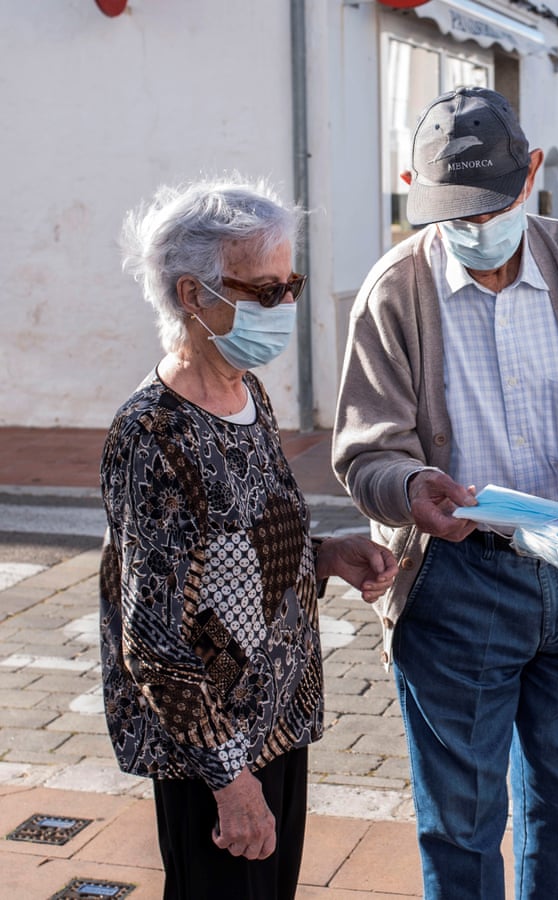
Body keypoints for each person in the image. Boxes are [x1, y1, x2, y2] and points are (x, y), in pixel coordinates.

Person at [332, 86, 558, 899]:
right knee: (461, 820)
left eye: (494, 205)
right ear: (416, 187)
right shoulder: (393, 292)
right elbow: (364, 451)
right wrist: (409, 486)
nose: (478, 230)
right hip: (457, 587)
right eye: (455, 212)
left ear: (533, 177)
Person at [100, 176, 399, 900]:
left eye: (290, 284)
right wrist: (230, 783)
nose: (285, 306)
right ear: (192, 295)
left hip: (276, 722)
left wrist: (322, 555)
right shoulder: (154, 434)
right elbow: (155, 640)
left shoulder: (245, 391)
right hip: (214, 752)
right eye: (264, 291)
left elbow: (234, 544)